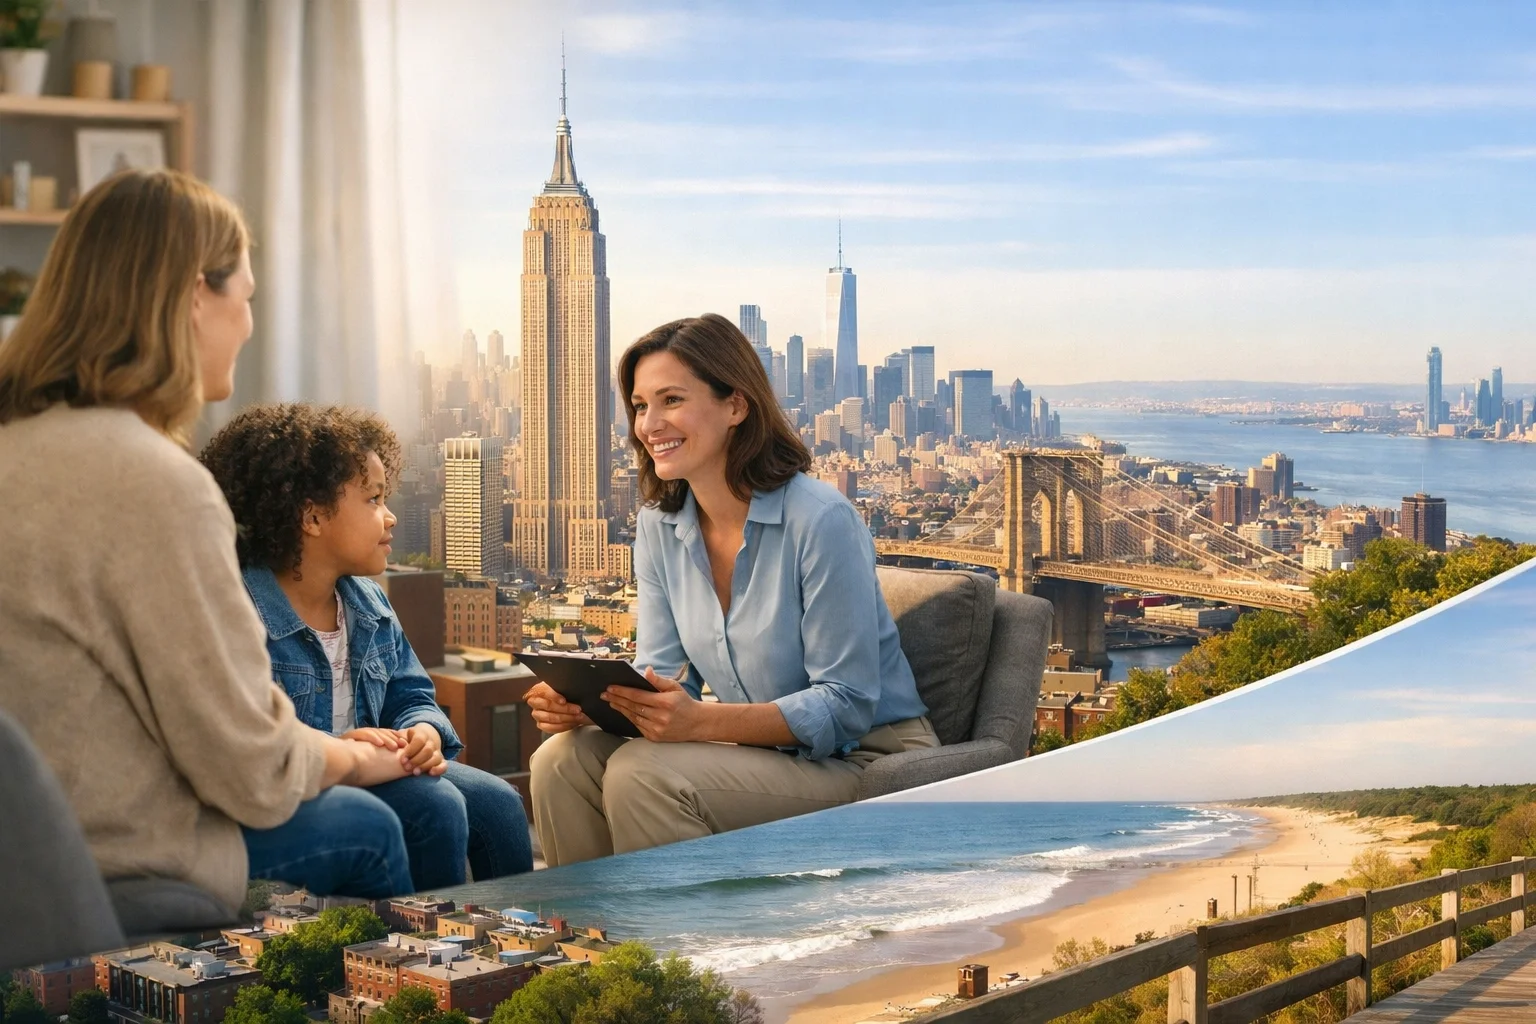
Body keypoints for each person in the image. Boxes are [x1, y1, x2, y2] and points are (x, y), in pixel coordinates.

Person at [0, 169, 421, 909]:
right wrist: (354, 759)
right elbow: (252, 767)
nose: (249, 324)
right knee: (371, 826)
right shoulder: (157, 484)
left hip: (28, 852)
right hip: (123, 864)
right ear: (197, 295)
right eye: (246, 297)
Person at [526, 313, 938, 867]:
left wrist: (700, 722)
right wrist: (600, 706)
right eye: (640, 406)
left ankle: (687, 927)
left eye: (672, 400)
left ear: (736, 406)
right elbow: (665, 675)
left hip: (869, 760)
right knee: (560, 760)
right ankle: (600, 922)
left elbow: (846, 704)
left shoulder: (821, 520)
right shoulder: (658, 526)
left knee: (641, 773)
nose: (649, 424)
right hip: (758, 755)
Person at [199, 402, 534, 887]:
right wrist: (339, 752)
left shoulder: (368, 604)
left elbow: (411, 694)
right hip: (293, 791)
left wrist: (423, 732)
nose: (390, 516)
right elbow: (251, 745)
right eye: (374, 499)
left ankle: (513, 926)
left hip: (377, 769)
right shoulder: (239, 613)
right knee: (435, 805)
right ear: (313, 517)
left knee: (498, 803)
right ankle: (430, 934)